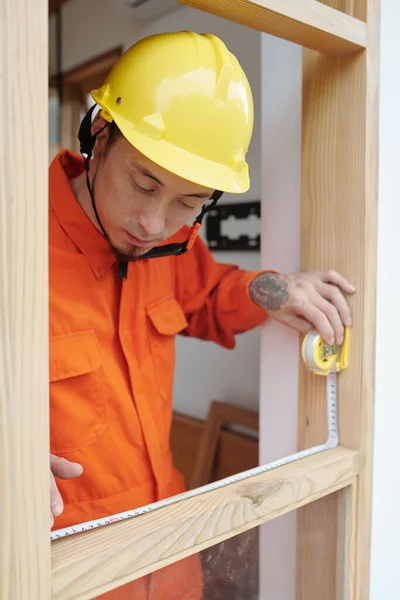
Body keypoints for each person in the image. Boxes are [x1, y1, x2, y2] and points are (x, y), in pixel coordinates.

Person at [49, 31, 355, 599]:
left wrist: (277, 290)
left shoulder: (170, 247)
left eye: (188, 202)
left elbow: (213, 293)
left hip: (169, 562)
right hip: (66, 575)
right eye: (143, 183)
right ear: (99, 134)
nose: (152, 223)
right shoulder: (17, 239)